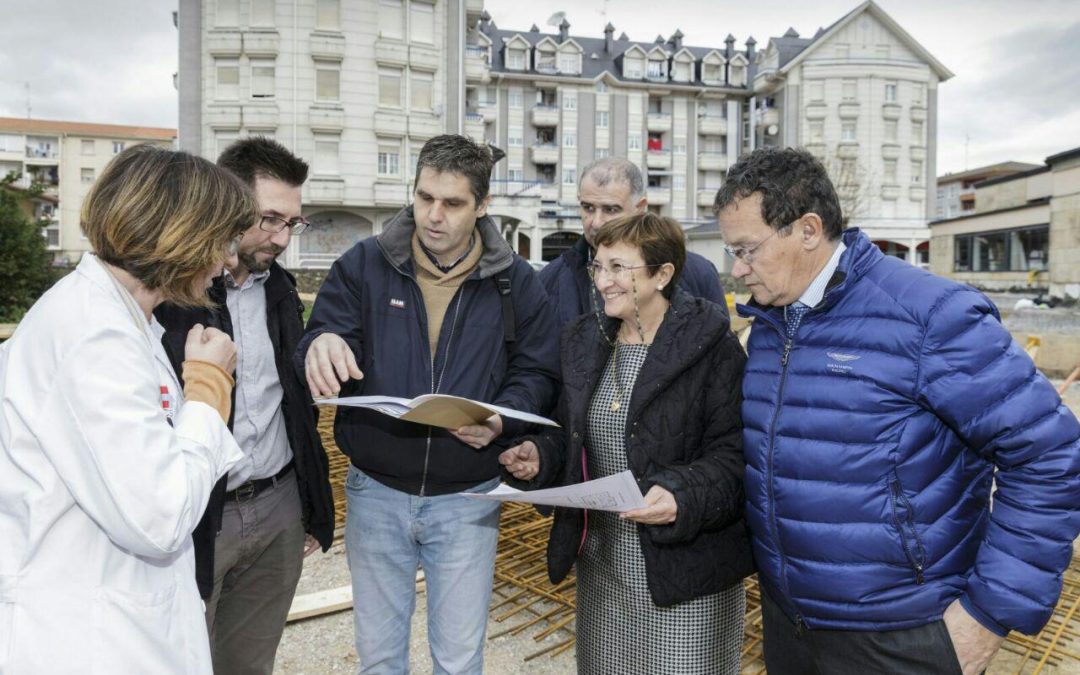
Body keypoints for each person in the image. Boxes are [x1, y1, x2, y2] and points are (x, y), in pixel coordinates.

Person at [714, 146, 1080, 675]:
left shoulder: (930, 315)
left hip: (902, 633)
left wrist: (988, 615)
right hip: (791, 622)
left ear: (808, 230)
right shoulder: (772, 323)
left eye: (747, 249)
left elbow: (1049, 456)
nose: (737, 268)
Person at [296, 134, 560, 673]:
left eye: (453, 203)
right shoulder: (364, 264)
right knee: (379, 659)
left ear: (482, 205)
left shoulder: (516, 283)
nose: (433, 216)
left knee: (459, 662)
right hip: (374, 491)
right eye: (424, 198)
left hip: (468, 497)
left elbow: (536, 371)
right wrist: (320, 343)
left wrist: (499, 420)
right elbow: (325, 330)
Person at [0, 144, 256, 673]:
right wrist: (208, 389)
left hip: (116, 622)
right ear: (181, 236)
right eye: (221, 240)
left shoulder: (117, 320)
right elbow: (161, 515)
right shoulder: (94, 337)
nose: (228, 260)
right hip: (88, 640)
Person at [500, 213, 753, 675]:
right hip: (604, 567)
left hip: (684, 575)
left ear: (662, 274)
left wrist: (681, 494)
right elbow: (570, 433)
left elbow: (735, 456)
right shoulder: (585, 339)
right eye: (598, 267)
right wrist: (540, 455)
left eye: (619, 268)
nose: (603, 281)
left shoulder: (711, 345)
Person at [154, 137, 335, 674]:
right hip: (200, 516)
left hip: (278, 507)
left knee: (250, 664)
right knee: (179, 659)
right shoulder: (174, 298)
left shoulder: (281, 291)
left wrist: (308, 505)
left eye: (293, 223)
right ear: (227, 204)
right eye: (270, 219)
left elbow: (296, 407)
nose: (282, 238)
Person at [540, 156, 728, 328]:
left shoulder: (697, 274)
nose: (596, 222)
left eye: (610, 210)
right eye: (588, 208)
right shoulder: (549, 280)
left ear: (640, 208)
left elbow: (719, 347)